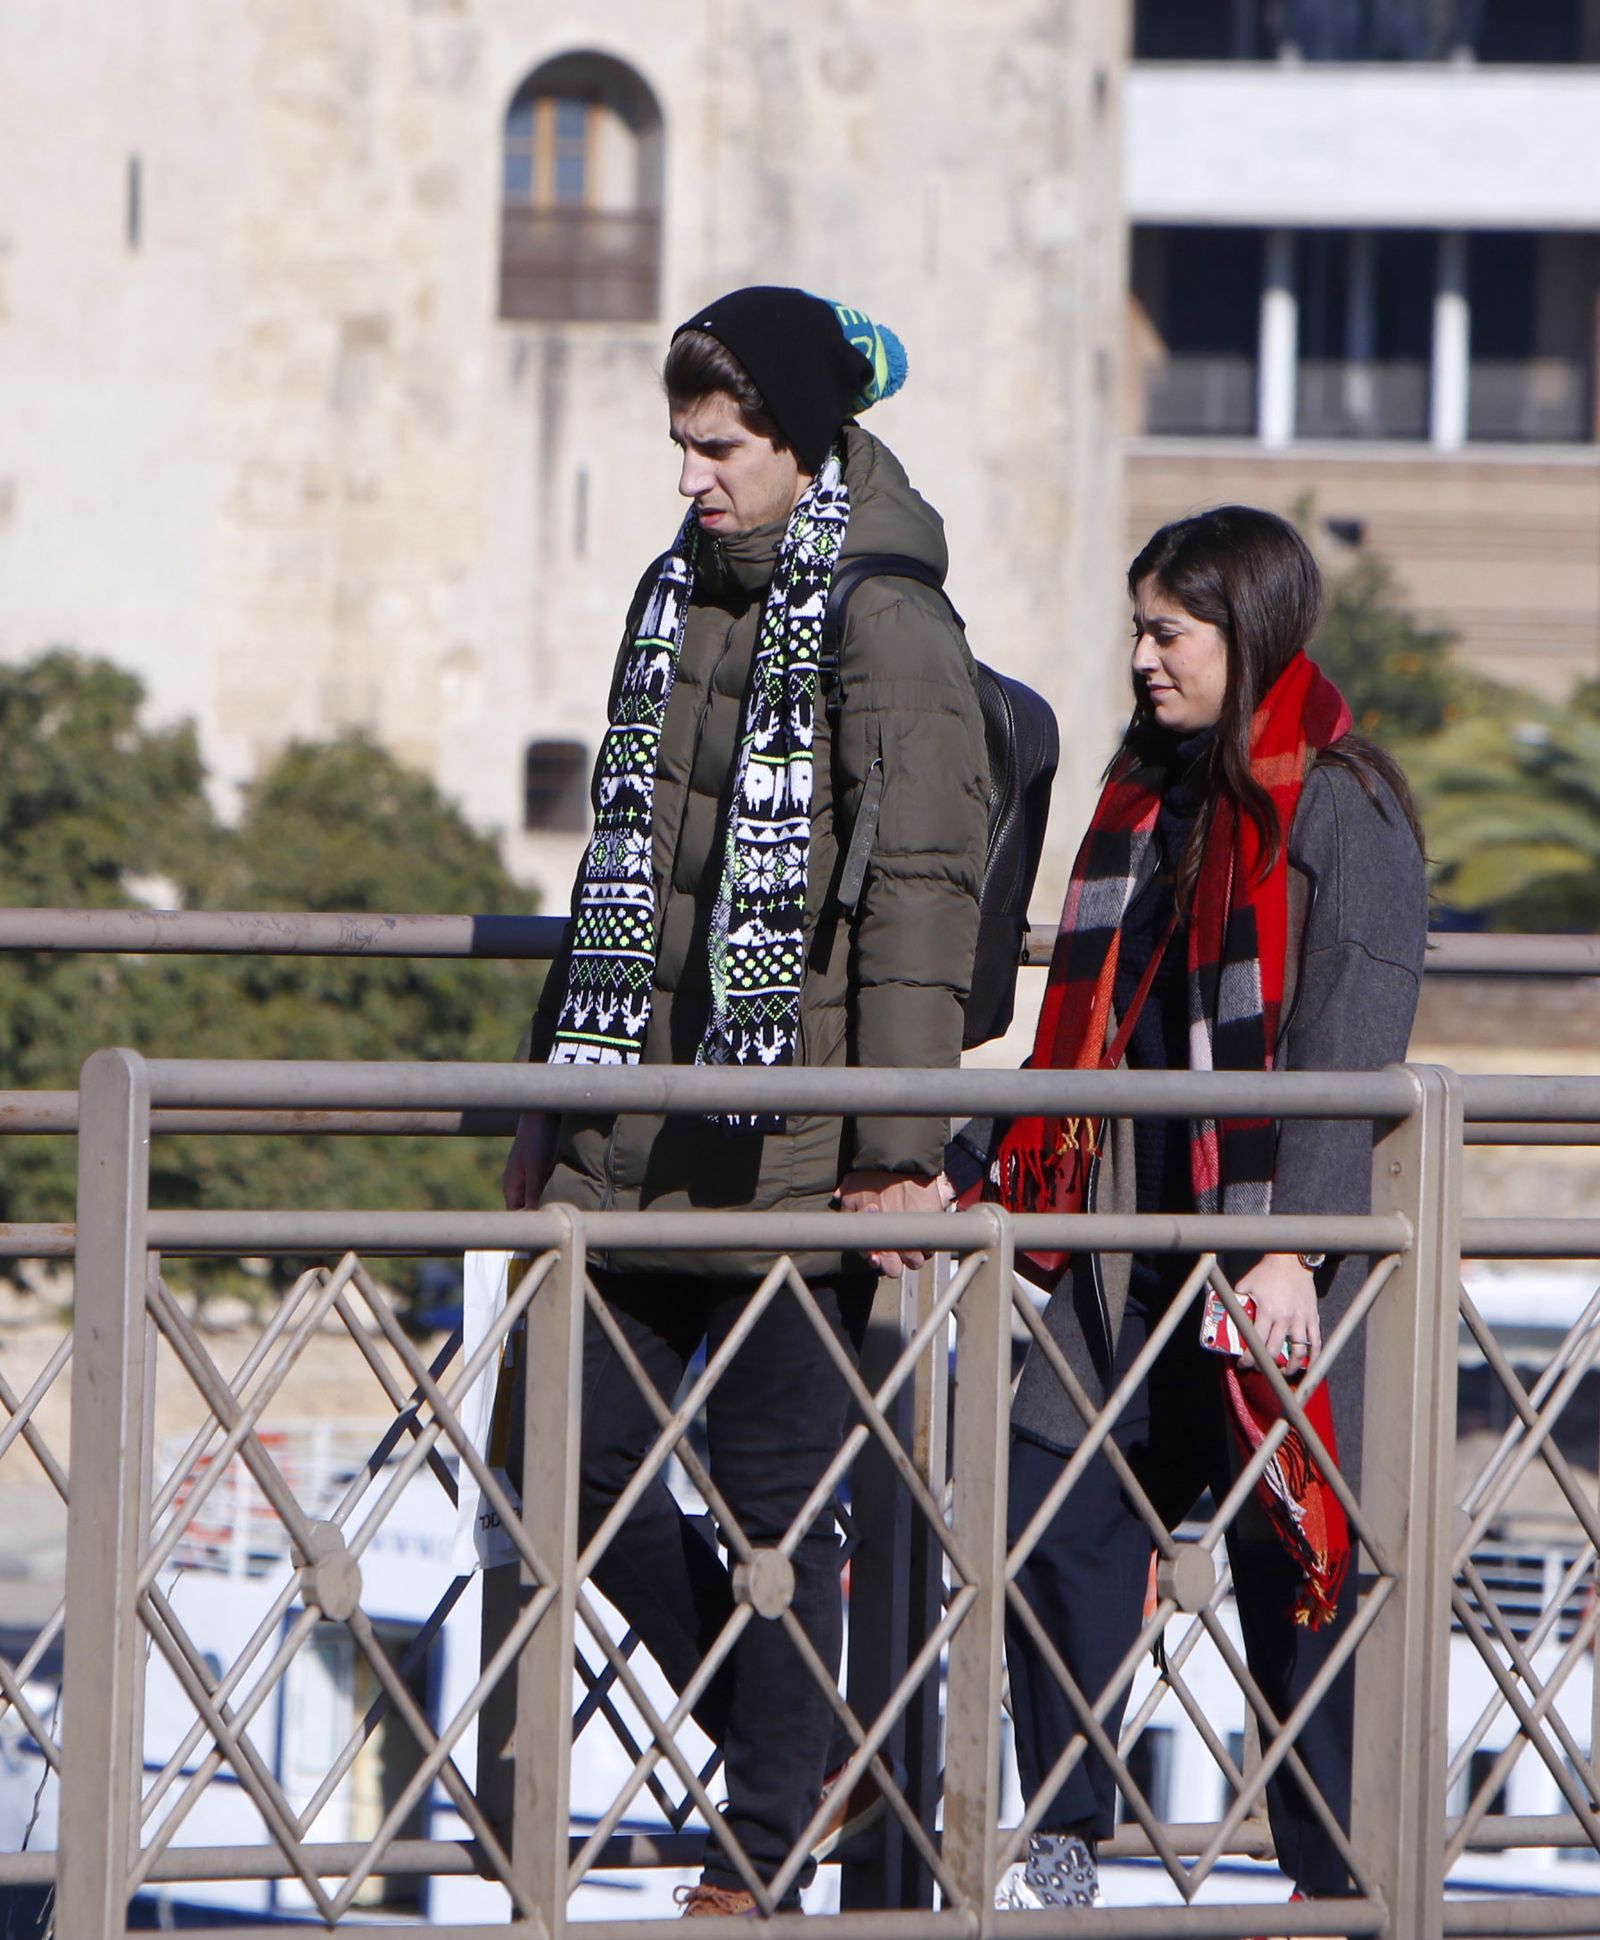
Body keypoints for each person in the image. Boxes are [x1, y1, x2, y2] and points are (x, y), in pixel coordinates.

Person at [503, 286, 987, 1917]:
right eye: (680, 450)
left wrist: (899, 1152)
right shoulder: (674, 589)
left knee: (781, 1505)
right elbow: (620, 866)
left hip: (796, 1148)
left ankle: (773, 1835)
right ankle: (814, 1748)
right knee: (547, 1459)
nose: (693, 479)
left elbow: (923, 893)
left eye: (721, 450)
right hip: (634, 1125)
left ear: (801, 440)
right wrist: (544, 1109)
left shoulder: (886, 619)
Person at [947, 506, 1426, 1915]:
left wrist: (1292, 1247)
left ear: (1250, 632)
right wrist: (971, 1160)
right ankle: (1067, 1836)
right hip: (1122, 1256)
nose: (1144, 660)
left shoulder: (1344, 802)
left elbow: (1351, 1045)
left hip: (1266, 1258)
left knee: (1297, 1560)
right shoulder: (1147, 795)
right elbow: (1087, 1029)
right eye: (1139, 629)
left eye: (1172, 632)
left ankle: (1331, 1877)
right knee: (1051, 1505)